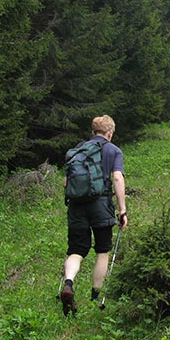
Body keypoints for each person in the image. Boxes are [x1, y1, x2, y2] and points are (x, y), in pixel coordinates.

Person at [60, 115, 128, 315]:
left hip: (77, 206)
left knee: (76, 250)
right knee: (102, 250)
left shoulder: (78, 151)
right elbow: (117, 177)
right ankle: (95, 295)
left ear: (93, 132)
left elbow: (66, 183)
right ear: (110, 133)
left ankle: (69, 283)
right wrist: (122, 209)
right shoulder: (113, 151)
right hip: (101, 205)